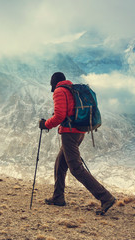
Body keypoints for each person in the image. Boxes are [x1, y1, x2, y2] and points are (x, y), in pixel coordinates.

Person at [39, 72, 116, 215]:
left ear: (54, 82)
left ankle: (105, 197)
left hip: (69, 133)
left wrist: (46, 125)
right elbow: (67, 112)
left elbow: (60, 116)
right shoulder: (71, 90)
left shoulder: (59, 91)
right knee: (60, 164)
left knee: (76, 168)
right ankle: (58, 197)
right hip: (79, 132)